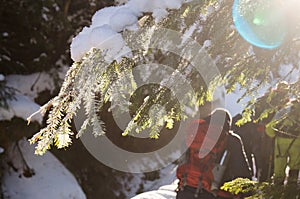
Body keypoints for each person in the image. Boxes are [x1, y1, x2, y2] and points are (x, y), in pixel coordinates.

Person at [176, 108, 252, 199]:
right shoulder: (231, 140)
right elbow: (241, 171)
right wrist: (247, 193)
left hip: (185, 190)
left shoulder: (194, 134)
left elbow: (183, 159)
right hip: (214, 194)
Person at [265, 99, 300, 185]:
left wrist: (271, 134)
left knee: (279, 165)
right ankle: (292, 187)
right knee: (295, 164)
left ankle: (277, 188)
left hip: (281, 141)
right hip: (297, 141)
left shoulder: (284, 109)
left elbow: (270, 128)